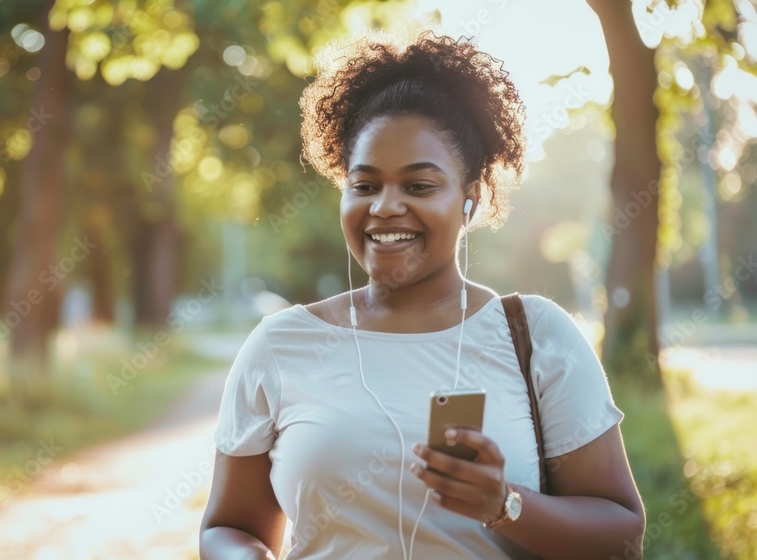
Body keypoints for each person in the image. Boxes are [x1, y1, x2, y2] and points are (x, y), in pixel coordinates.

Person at [200, 30, 645, 559]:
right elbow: (227, 527)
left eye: (418, 186)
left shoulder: (535, 336)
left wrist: (503, 504)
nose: (386, 207)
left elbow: (621, 537)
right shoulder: (281, 344)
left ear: (470, 198)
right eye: (365, 185)